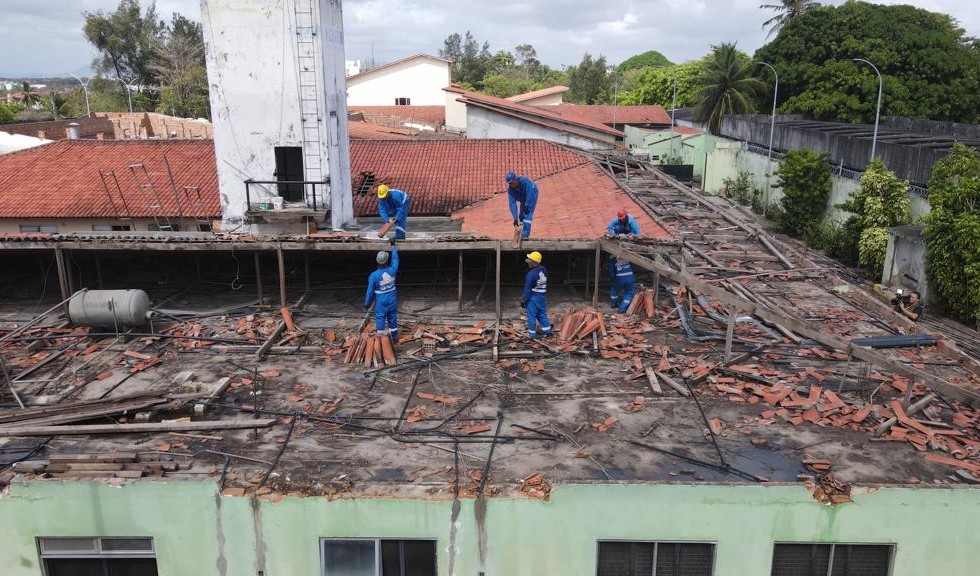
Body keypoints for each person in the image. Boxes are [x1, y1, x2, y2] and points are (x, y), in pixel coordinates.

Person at [365, 239, 400, 340]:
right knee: (392, 317)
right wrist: (393, 246)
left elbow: (370, 291)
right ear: (386, 260)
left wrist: (367, 303)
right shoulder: (392, 270)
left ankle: (381, 339)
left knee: (380, 318)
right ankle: (394, 338)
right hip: (392, 298)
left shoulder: (374, 275)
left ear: (377, 261)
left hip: (381, 300)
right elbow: (395, 260)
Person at [520, 251, 552, 339]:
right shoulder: (543, 269)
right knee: (542, 314)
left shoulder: (530, 274)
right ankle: (547, 332)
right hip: (542, 297)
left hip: (533, 298)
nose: (528, 263)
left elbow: (527, 289)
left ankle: (532, 335)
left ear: (534, 262)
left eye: (529, 261)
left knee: (531, 316)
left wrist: (523, 300)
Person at [506, 171, 538, 239]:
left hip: (532, 193)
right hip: (523, 198)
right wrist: (515, 218)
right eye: (509, 183)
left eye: (512, 183)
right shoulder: (510, 190)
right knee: (521, 216)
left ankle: (525, 234)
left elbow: (530, 192)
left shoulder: (524, 181)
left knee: (527, 214)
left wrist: (527, 204)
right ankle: (520, 231)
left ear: (516, 179)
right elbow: (512, 204)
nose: (511, 185)